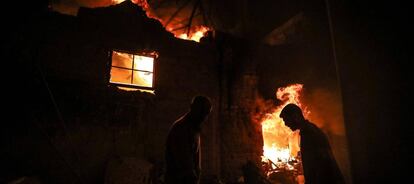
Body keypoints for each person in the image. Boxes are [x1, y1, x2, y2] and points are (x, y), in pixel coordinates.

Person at [279, 103, 345, 184]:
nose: (286, 124)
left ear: (295, 116)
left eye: (286, 120)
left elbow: (322, 163)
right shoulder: (307, 130)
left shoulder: (309, 132)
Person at [164, 95, 212, 184]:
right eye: (203, 114)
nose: (205, 118)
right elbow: (185, 166)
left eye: (206, 114)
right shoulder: (181, 129)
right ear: (194, 109)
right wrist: (193, 177)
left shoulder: (194, 128)